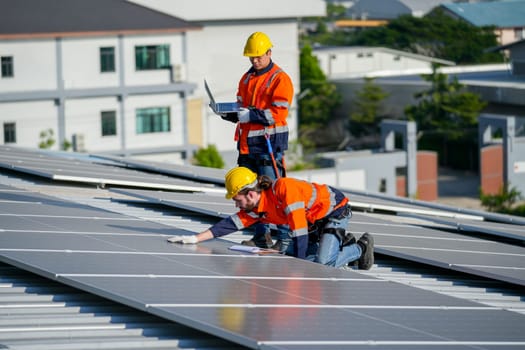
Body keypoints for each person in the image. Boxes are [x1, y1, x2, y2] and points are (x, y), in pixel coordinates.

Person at [167, 167, 374, 270]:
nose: (235, 204)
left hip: (333, 212)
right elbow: (229, 225)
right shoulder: (257, 208)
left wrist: (304, 268)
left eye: (236, 199)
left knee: (321, 265)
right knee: (287, 255)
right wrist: (195, 239)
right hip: (314, 223)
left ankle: (360, 248)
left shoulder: (284, 189)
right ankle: (341, 244)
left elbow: (299, 229)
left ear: (249, 194)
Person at [216, 31, 294, 249]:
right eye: (251, 57)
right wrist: (230, 113)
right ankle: (262, 236)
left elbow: (277, 114)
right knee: (251, 196)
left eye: (258, 56)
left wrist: (249, 114)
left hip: (269, 147)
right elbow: (242, 108)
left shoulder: (280, 79)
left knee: (275, 193)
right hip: (247, 146)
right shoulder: (247, 78)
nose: (255, 60)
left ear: (269, 52)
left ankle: (286, 238)